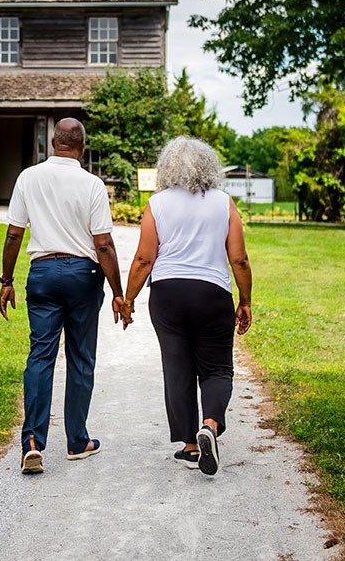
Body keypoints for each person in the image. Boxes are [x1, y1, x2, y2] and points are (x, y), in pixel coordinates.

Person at [0, 118, 128, 475]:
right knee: (81, 357)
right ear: (82, 147)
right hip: (82, 276)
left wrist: (6, 279)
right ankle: (77, 441)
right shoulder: (92, 184)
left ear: (52, 143)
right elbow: (102, 244)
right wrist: (118, 293)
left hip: (41, 274)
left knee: (40, 355)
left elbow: (13, 235)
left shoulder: (28, 177)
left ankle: (32, 443)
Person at [121, 137, 253, 476]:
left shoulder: (157, 204)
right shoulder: (224, 203)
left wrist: (129, 299)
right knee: (217, 369)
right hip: (212, 295)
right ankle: (209, 424)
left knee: (177, 367)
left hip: (168, 295)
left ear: (168, 168)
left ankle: (190, 445)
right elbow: (238, 258)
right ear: (208, 166)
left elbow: (143, 259)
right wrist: (245, 300)